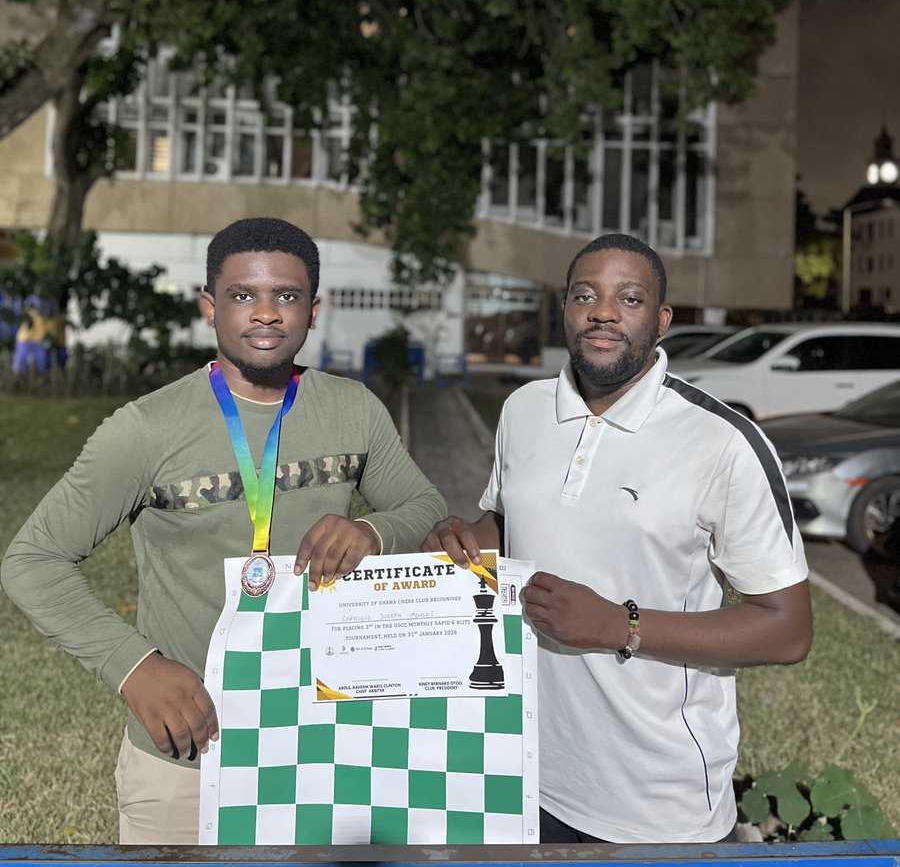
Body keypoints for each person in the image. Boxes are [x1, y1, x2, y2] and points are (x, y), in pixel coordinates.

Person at [2, 217, 446, 845]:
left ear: (313, 310)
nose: (266, 313)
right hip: (191, 748)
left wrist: (375, 531)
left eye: (286, 296)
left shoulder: (353, 411)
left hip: (326, 743)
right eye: (242, 295)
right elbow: (33, 559)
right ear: (209, 307)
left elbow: (423, 503)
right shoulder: (145, 430)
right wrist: (133, 667)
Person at [423, 233, 811, 845]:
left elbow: (788, 630)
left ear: (661, 321)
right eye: (586, 295)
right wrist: (462, 539)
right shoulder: (524, 409)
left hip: (653, 799)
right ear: (567, 309)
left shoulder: (722, 443)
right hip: (517, 762)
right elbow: (509, 518)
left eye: (629, 299)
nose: (603, 312)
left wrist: (618, 626)